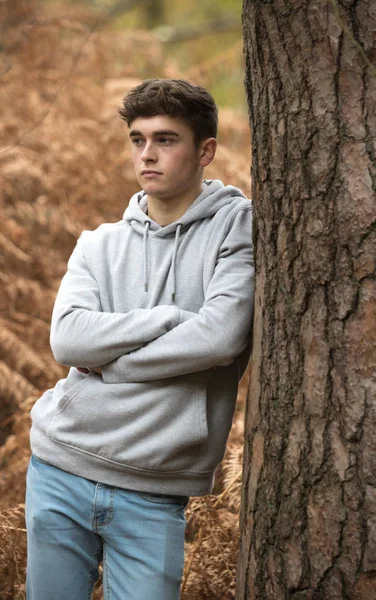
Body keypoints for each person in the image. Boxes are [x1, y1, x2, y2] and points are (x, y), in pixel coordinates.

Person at [25, 78, 254, 600]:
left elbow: (219, 337)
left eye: (166, 139)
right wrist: (171, 317)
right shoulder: (98, 245)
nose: (147, 154)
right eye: (137, 139)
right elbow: (69, 340)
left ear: (206, 151)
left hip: (155, 486)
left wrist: (116, 363)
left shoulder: (235, 228)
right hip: (60, 467)